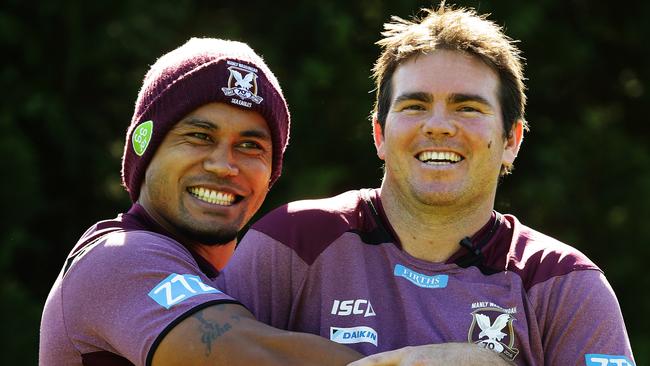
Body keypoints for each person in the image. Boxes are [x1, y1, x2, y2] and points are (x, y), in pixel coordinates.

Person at [218, 4, 636, 366]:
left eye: (467, 107)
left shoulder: (564, 283)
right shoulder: (294, 242)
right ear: (380, 135)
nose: (438, 126)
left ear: (511, 141)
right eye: (415, 106)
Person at [39, 38, 362, 366]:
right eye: (199, 137)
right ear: (145, 147)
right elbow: (254, 355)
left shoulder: (245, 286)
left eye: (250, 145)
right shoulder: (115, 259)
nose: (224, 165)